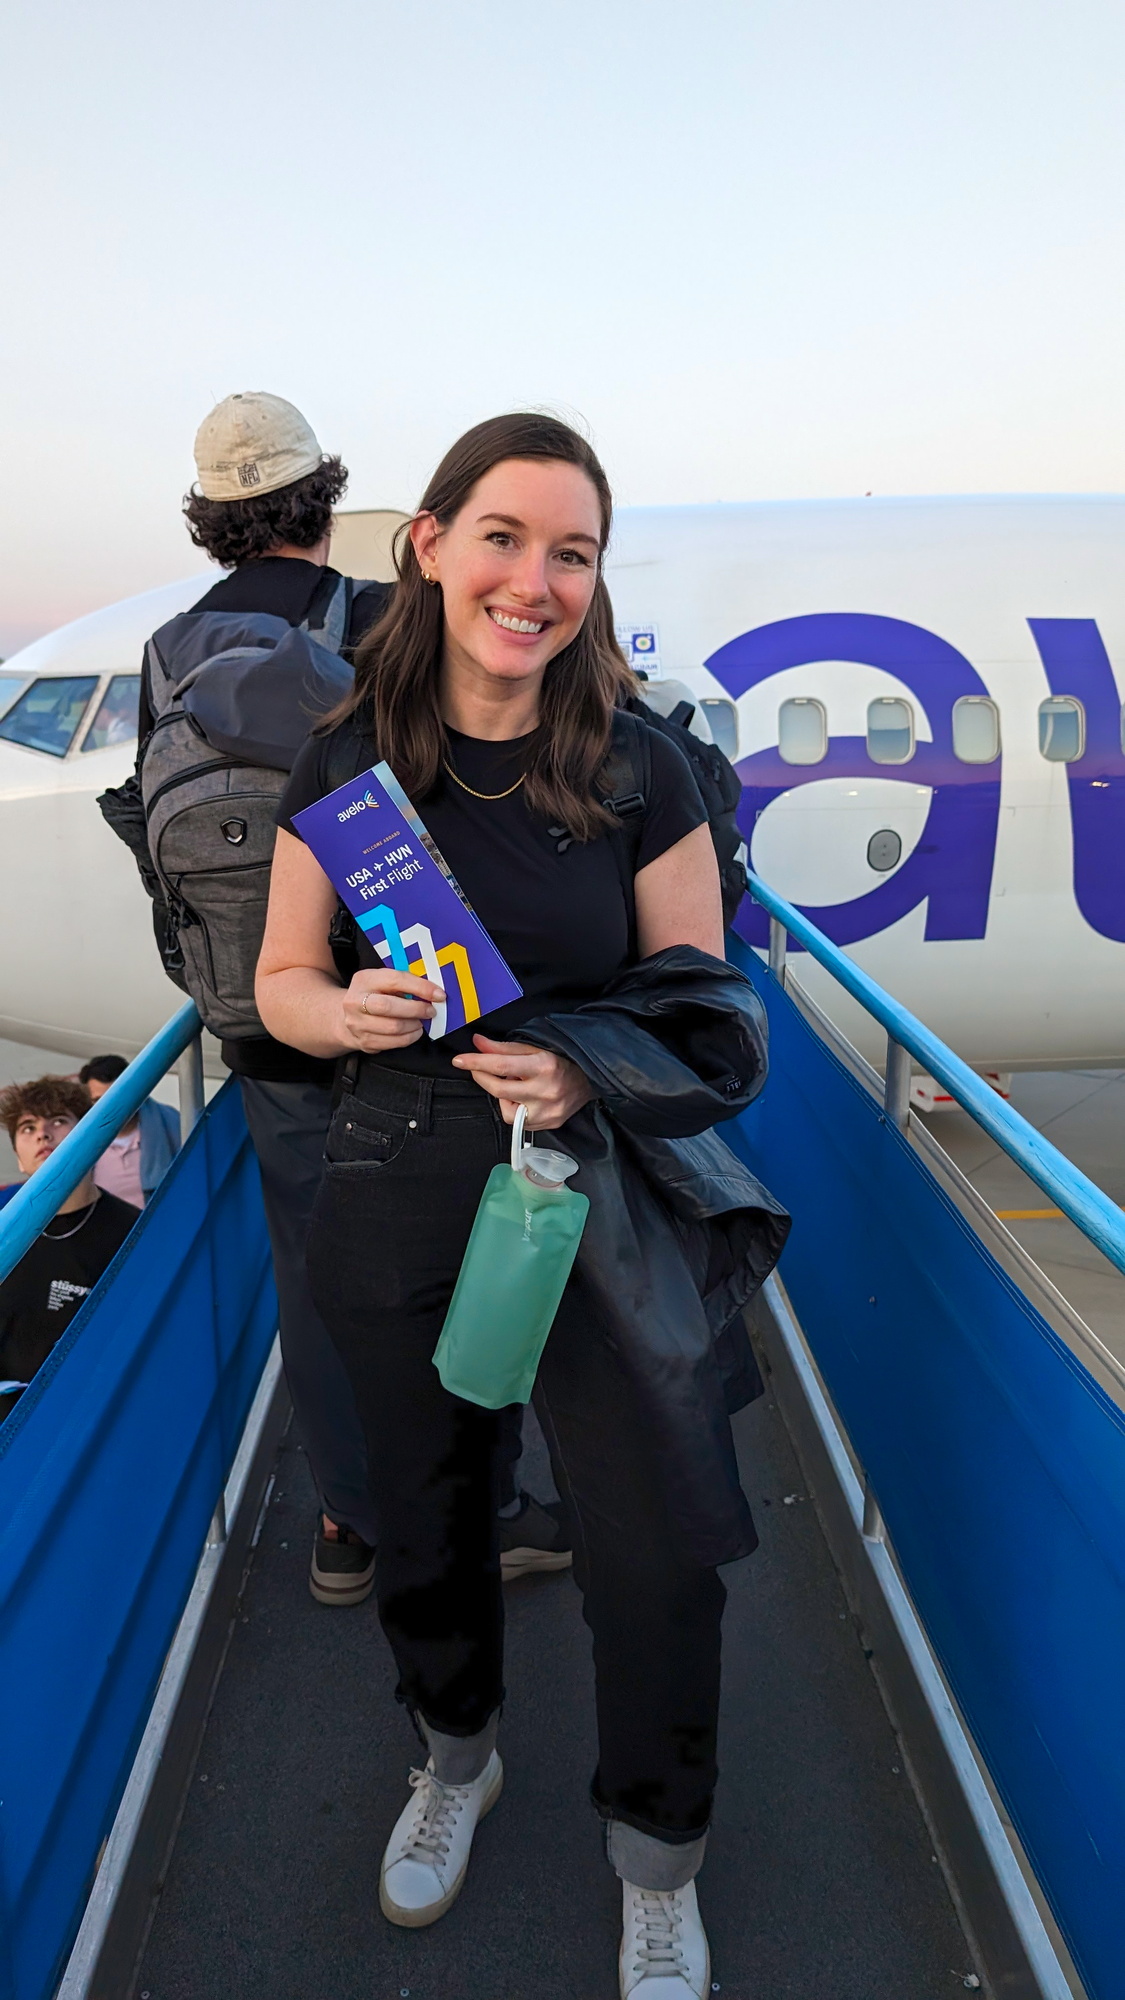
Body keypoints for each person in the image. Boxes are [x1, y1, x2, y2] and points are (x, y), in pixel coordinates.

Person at [256, 413, 785, 1997]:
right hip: (401, 1178)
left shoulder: (642, 762)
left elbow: (711, 1017)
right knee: (426, 1520)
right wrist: (327, 1015)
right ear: (428, 543)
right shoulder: (348, 762)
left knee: (654, 1552)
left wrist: (577, 1072)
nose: (536, 580)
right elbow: (282, 979)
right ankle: (455, 1758)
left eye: (573, 552)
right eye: (506, 536)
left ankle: (656, 1855)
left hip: (592, 1184)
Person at [147, 393, 393, 1606]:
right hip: (398, 1012)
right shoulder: (384, 619)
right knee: (442, 1253)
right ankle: (485, 1502)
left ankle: (348, 1522)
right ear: (322, 500)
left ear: (210, 518)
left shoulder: (165, 651)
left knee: (314, 1270)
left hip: (258, 1021)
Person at [0, 1077, 136, 1420]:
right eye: (27, 1128)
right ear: (18, 1157)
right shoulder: (5, 1223)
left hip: (79, 1422)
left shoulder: (133, 1233)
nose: (43, 1134)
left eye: (58, 1121)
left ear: (92, 1138)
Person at [79, 1054, 181, 1208]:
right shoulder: (80, 1142)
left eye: (116, 1098)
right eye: (99, 1101)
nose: (109, 1108)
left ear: (134, 1091)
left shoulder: (173, 1125)